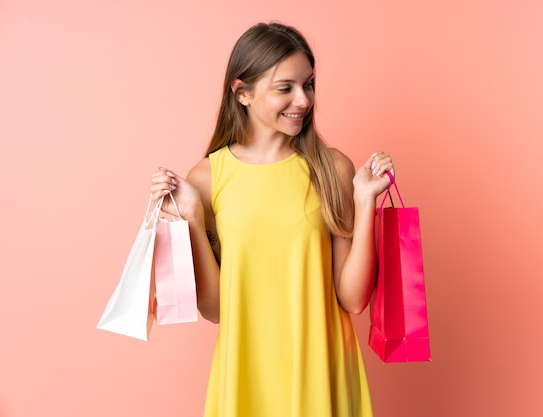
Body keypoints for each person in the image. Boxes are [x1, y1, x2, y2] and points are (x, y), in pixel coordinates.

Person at [150, 22, 394, 417]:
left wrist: (364, 202)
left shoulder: (332, 168)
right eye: (286, 88)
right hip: (246, 375)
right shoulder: (208, 179)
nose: (303, 99)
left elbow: (353, 298)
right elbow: (216, 310)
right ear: (241, 92)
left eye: (309, 84)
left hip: (322, 370)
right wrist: (192, 218)